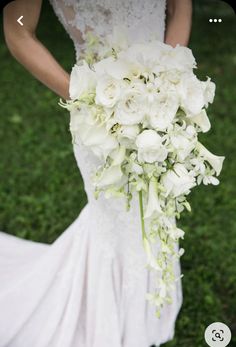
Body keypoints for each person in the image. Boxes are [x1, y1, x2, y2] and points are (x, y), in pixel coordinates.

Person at [1, 1, 192, 346]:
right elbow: (18, 31)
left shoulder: (167, 91)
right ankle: (113, 316)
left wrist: (168, 81)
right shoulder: (95, 107)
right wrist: (92, 101)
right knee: (117, 217)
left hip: (165, 104)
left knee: (157, 204)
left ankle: (151, 307)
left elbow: (181, 8)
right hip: (99, 117)